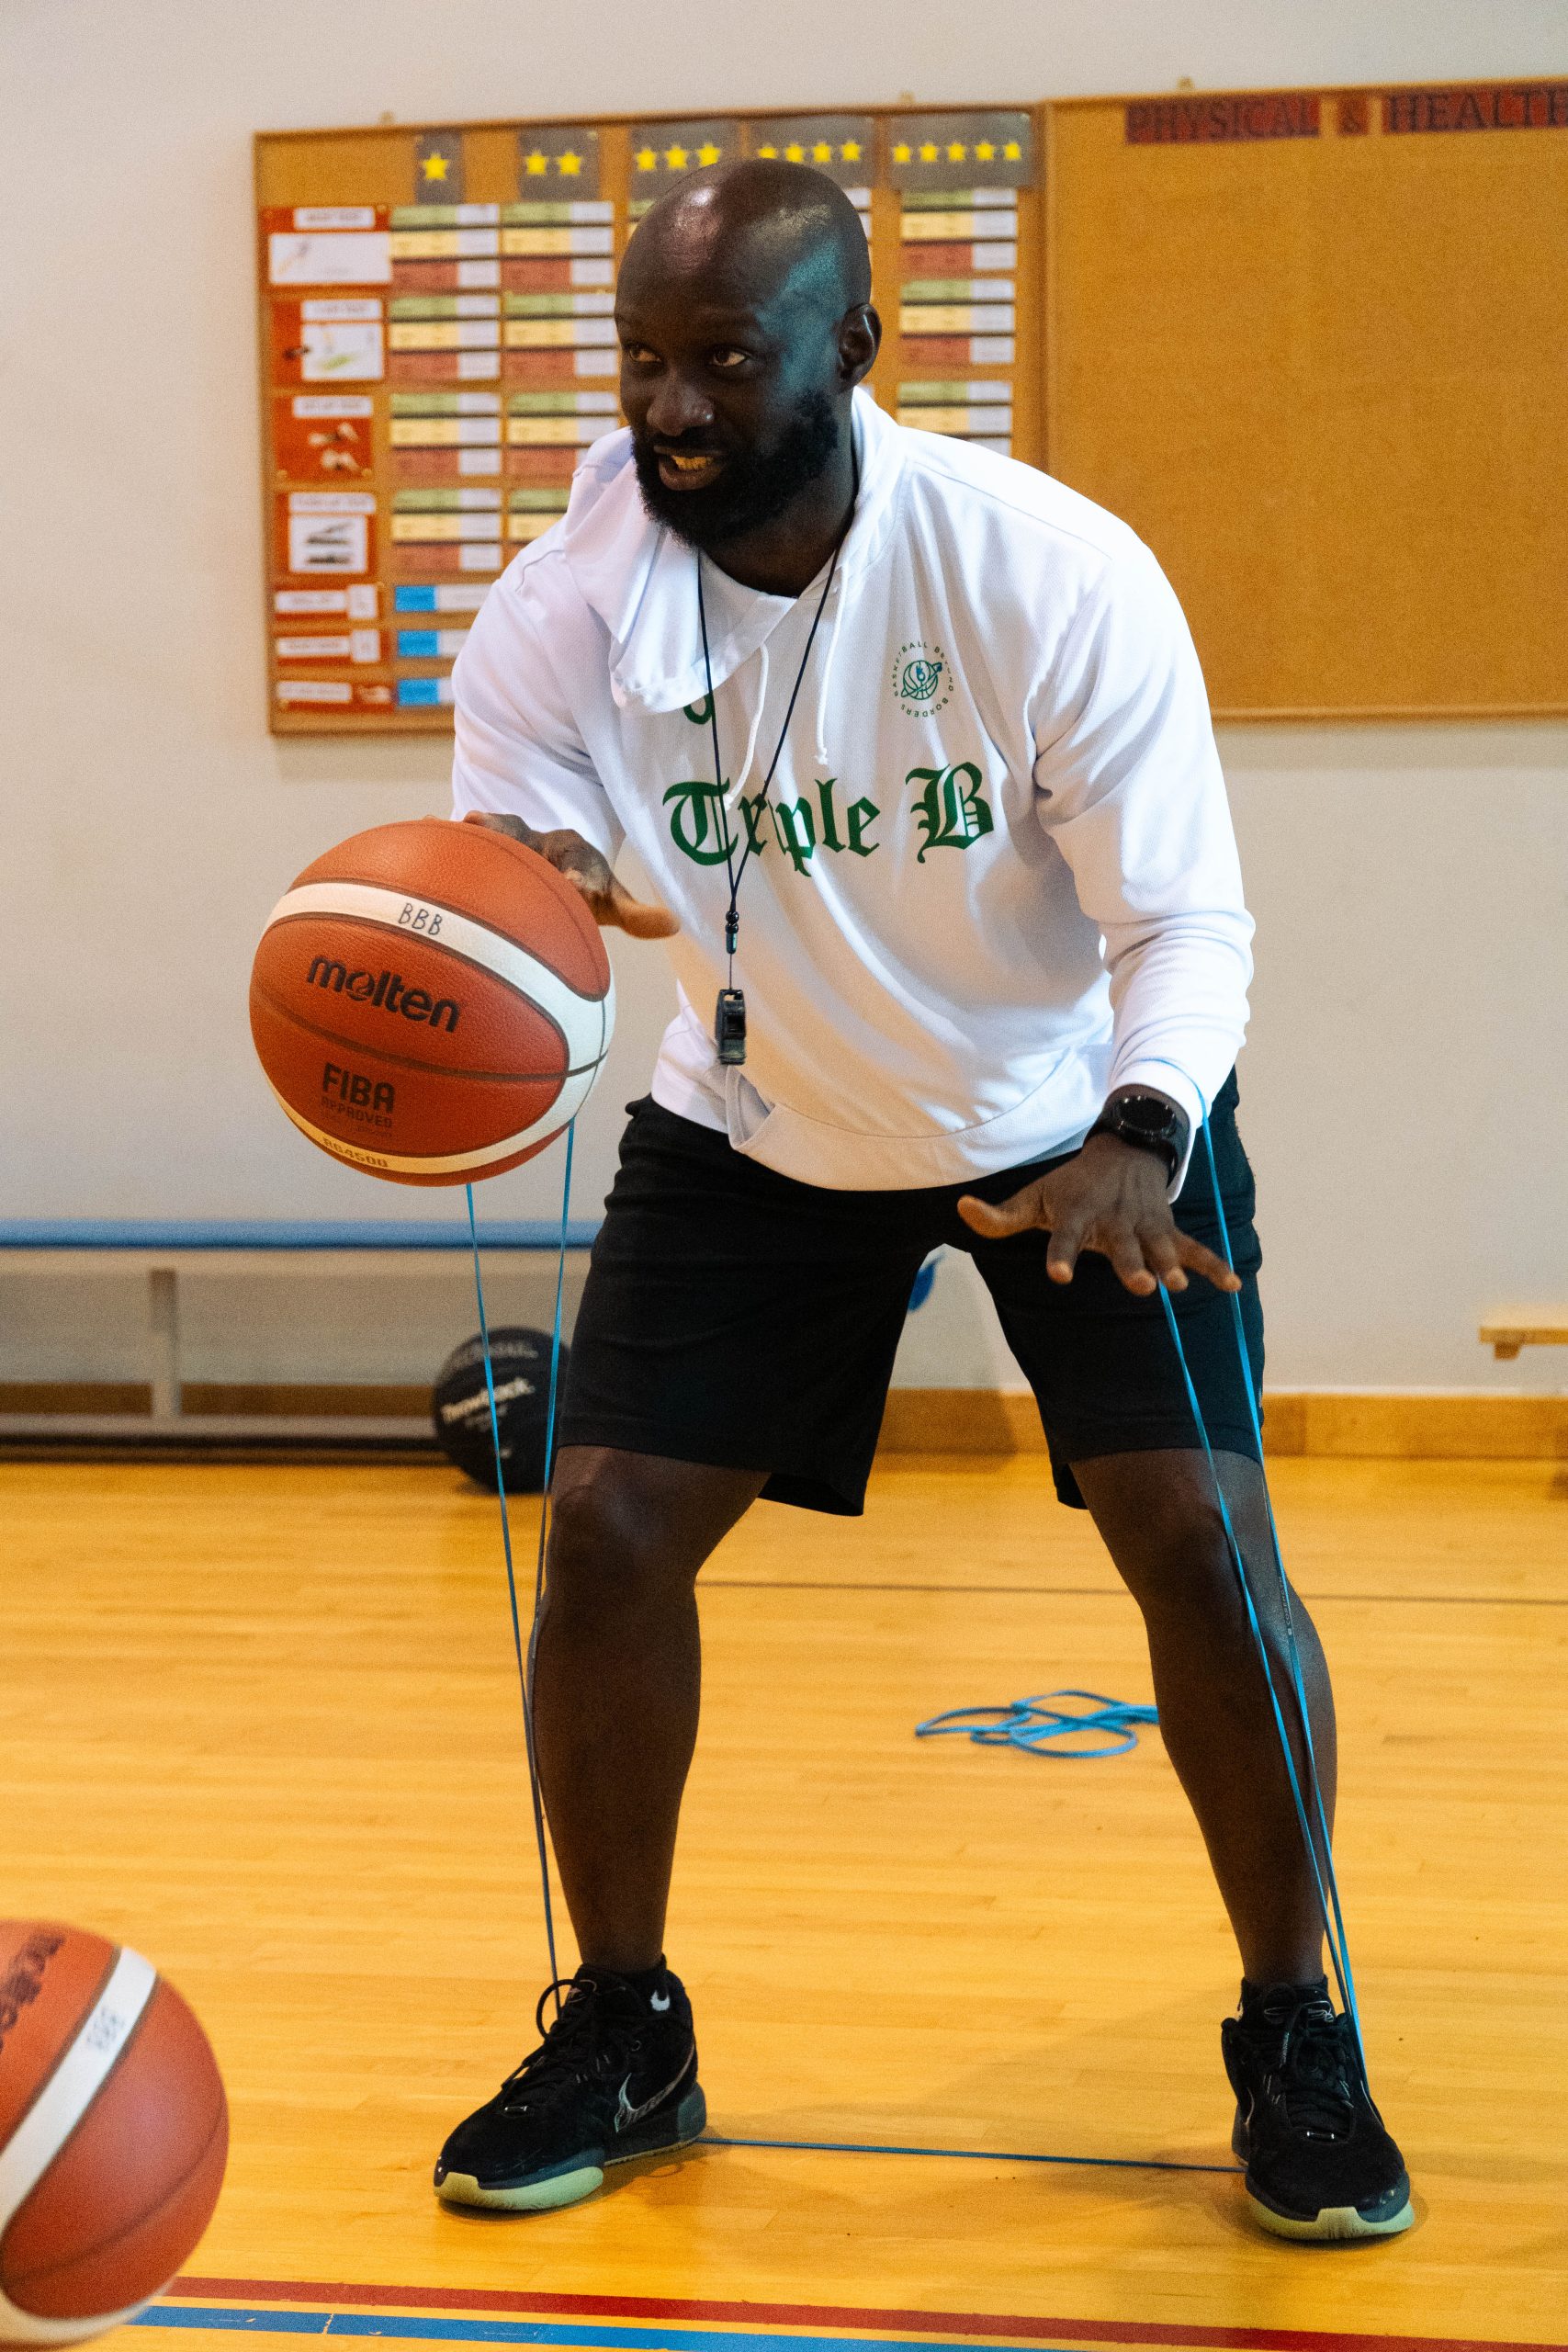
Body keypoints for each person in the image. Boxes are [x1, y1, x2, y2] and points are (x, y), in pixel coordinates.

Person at [436, 159, 1410, 2243]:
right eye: (641, 361)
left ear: (854, 351)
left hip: (1070, 1116)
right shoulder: (560, 608)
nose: (671, 409)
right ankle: (624, 2023)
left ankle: (1294, 2024)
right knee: (605, 1529)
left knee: (1202, 1543)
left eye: (723, 359)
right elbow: (504, 888)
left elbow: (1184, 919)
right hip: (754, 1116)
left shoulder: (1041, 572)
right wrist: (514, 914)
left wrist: (1143, 1125)